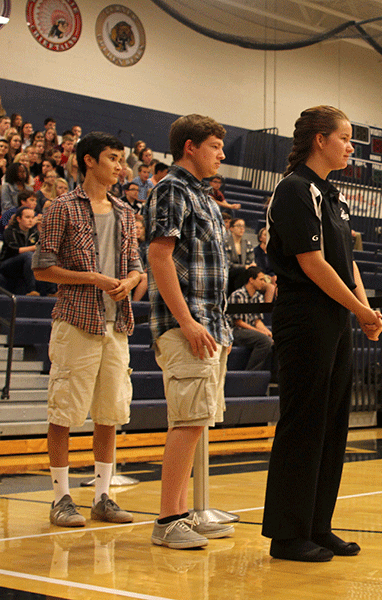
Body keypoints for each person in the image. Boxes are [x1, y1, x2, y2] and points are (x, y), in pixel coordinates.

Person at [263, 106, 382, 563]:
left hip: (334, 319)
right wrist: (359, 309)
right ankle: (287, 534)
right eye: (346, 138)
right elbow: (312, 264)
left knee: (333, 423)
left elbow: (345, 261)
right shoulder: (294, 190)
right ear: (319, 139)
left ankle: (318, 525)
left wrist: (364, 309)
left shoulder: (331, 196)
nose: (351, 147)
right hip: (303, 316)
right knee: (304, 422)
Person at [32, 132, 142, 528]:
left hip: (117, 322)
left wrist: (129, 282)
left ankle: (102, 497)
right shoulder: (61, 207)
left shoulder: (126, 213)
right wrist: (91, 278)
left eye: (121, 159)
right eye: (113, 158)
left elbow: (136, 266)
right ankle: (61, 497)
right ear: (89, 161)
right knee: (64, 410)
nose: (120, 166)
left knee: (109, 412)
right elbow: (42, 267)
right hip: (76, 320)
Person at [146, 115, 236, 549]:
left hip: (209, 325)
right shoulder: (171, 189)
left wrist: (218, 328)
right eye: (215, 146)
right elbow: (159, 257)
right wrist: (187, 321)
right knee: (186, 421)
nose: (222, 154)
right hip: (187, 325)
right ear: (190, 147)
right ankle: (167, 520)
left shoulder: (203, 196)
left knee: (197, 419)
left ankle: (182, 513)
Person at [227, 266, 275, 372]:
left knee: (272, 338)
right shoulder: (237, 295)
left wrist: (266, 331)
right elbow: (238, 322)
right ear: (251, 280)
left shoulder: (258, 297)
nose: (263, 283)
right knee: (265, 341)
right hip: (236, 331)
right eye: (261, 279)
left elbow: (257, 320)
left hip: (250, 331)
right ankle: (251, 372)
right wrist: (259, 332)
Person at [0, 206, 45, 296]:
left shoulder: (34, 232)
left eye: (32, 217)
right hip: (8, 263)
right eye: (27, 217)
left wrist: (40, 230)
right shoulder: (10, 231)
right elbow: (15, 250)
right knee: (28, 255)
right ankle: (31, 290)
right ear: (19, 219)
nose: (31, 220)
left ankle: (52, 291)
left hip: (27, 263)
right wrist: (35, 247)